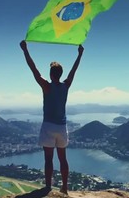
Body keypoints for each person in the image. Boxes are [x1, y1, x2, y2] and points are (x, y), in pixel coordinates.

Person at [20, 40, 84, 194]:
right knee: (63, 158)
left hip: (48, 126)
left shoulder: (46, 86)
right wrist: (80, 54)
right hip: (62, 127)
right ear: (60, 74)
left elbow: (33, 69)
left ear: (50, 74)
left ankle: (48, 187)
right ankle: (64, 187)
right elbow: (73, 71)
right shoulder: (66, 85)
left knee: (48, 159)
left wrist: (25, 50)